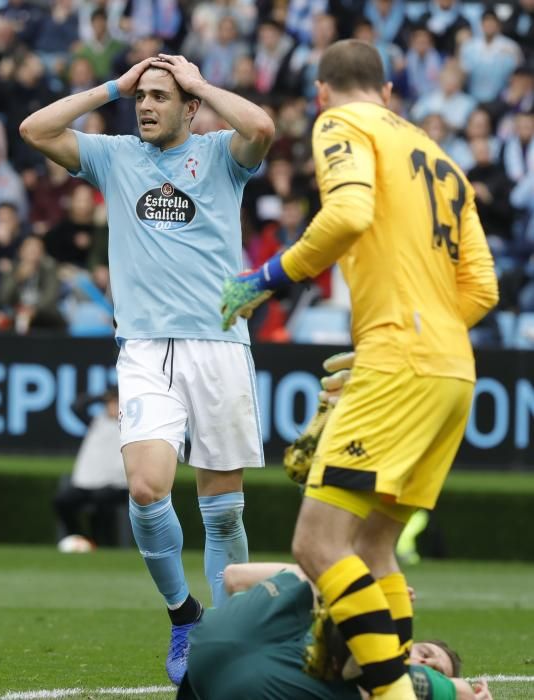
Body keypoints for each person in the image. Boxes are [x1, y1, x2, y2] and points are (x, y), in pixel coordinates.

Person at [220, 39, 498, 699]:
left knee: (317, 546)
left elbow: (347, 213)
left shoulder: (340, 123)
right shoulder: (441, 157)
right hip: (453, 369)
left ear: (320, 93)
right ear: (391, 91)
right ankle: (393, 684)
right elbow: (482, 290)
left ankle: (396, 695)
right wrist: (427, 330)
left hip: (399, 356)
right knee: (374, 549)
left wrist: (266, 277)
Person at [19, 52, 275, 684]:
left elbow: (264, 128)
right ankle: (184, 614)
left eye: (162, 96)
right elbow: (34, 130)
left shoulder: (220, 153)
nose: (148, 106)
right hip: (144, 348)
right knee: (145, 487)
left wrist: (200, 83)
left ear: (190, 106)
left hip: (219, 346)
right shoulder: (116, 156)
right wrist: (112, 86)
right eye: (143, 97)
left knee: (223, 512)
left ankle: (228, 637)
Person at [177, 562, 493, 700]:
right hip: (243, 679)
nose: (427, 665)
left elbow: (234, 578)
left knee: (326, 578)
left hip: (206, 648)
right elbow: (463, 693)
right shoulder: (381, 673)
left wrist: (353, 586)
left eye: (436, 669)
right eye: (425, 654)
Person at [53, 389, 128, 547]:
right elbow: (76, 406)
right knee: (62, 501)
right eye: (111, 403)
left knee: (102, 501)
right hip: (87, 483)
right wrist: (102, 396)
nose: (113, 407)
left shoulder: (130, 425)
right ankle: (78, 538)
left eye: (117, 403)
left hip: (116, 485)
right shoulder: (97, 422)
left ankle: (100, 542)